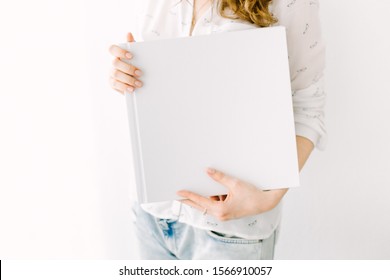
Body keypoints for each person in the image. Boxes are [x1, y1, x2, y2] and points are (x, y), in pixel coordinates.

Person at [108, 0, 326, 259]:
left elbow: (309, 104)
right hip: (151, 216)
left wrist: (270, 198)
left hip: (231, 233)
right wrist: (125, 77)